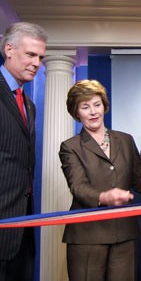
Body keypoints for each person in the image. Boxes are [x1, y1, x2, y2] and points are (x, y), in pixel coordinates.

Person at [59, 80, 141, 281]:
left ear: (104, 105)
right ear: (76, 112)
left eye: (97, 104)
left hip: (124, 233)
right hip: (87, 236)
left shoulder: (125, 140)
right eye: (85, 107)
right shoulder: (70, 147)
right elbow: (78, 187)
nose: (93, 112)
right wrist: (105, 196)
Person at [0, 21, 47, 280]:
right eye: (30, 54)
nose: (37, 62)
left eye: (40, 56)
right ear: (9, 49)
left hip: (22, 227)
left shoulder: (28, 103)